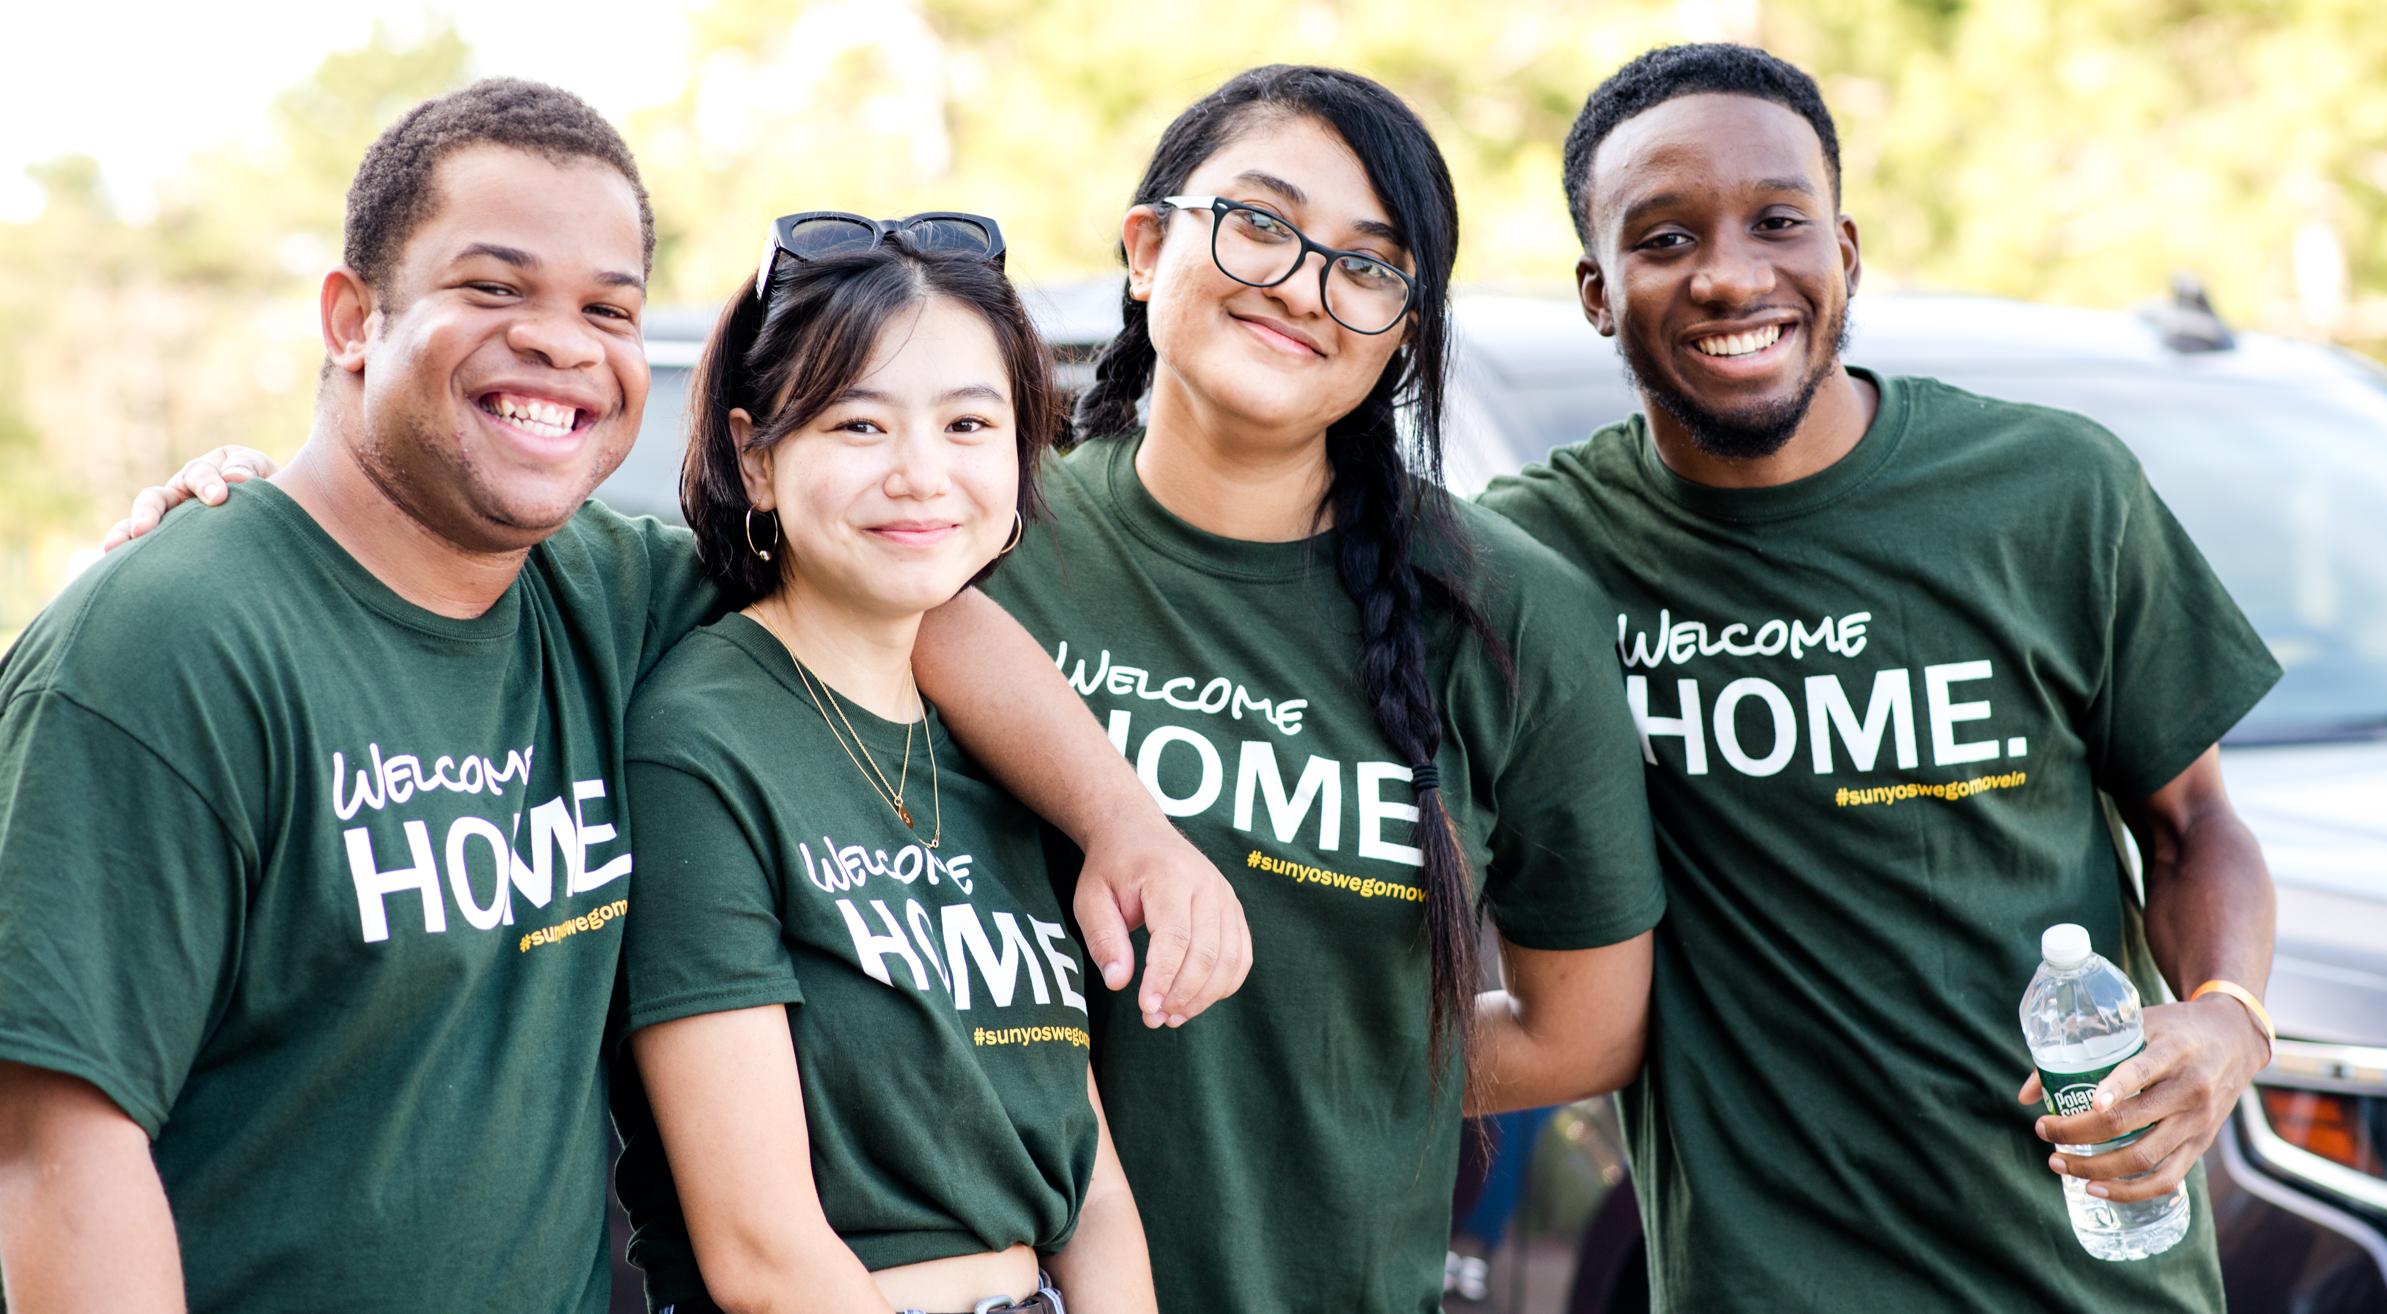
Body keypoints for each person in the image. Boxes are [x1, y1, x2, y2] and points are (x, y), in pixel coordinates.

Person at [0, 83, 1243, 1314]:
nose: (560, 341)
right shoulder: (162, 644)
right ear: (351, 317)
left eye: (609, 307)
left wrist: (1125, 824)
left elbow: (912, 596)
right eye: (494, 289)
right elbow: (54, 1151)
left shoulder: (606, 595)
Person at [1480, 42, 2281, 1312]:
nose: (1731, 273)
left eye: (1778, 221)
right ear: (1596, 291)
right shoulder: (1533, 558)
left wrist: (2228, 1016)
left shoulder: (2056, 492)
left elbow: (2195, 828)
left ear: (1843, 254)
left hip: (2096, 1282)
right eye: (1666, 238)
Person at [978, 64, 1665, 1312]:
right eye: (1260, 224)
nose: (1303, 285)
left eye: (1368, 265)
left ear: (1402, 331)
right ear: (1147, 247)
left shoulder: (1510, 615)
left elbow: (1586, 1028)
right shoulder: (979, 539)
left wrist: (1342, 1074)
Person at [611, 213, 1152, 1314]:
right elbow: (762, 1252)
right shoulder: (702, 738)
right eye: (859, 426)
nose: (921, 475)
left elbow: (1082, 1177)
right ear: (757, 460)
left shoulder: (1000, 740)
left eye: (968, 424)